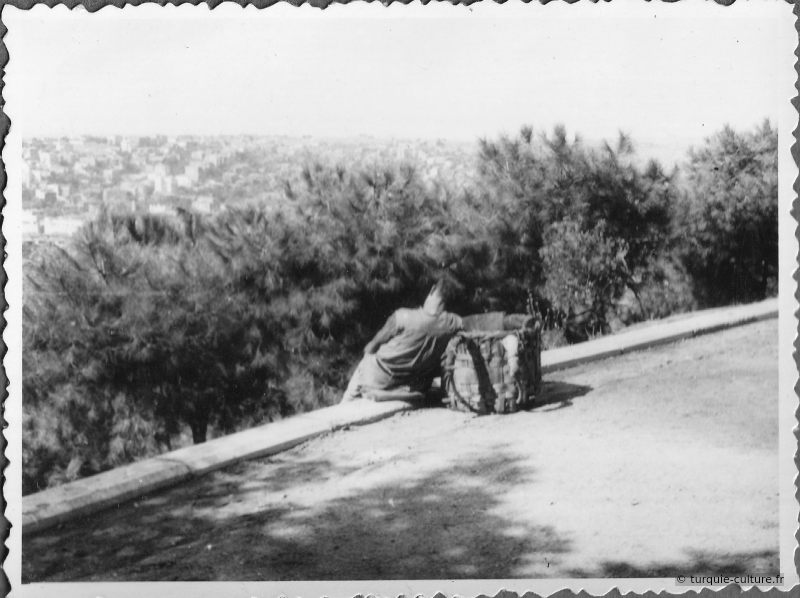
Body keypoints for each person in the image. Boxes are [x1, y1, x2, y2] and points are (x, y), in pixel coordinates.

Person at [341, 280, 463, 402]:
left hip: (379, 377)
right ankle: (404, 395)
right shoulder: (451, 322)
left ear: (432, 289)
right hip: (410, 382)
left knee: (367, 358)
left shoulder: (402, 316)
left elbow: (371, 347)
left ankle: (347, 401)